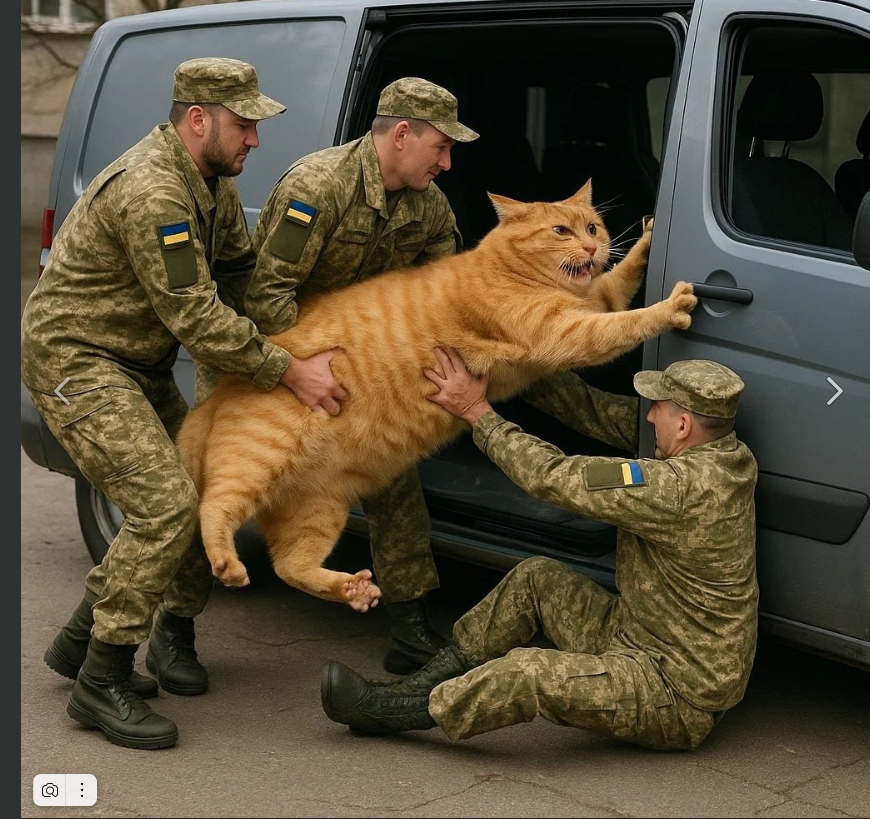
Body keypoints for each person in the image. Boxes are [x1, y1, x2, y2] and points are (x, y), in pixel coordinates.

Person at [21, 57, 301, 750]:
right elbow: (198, 318)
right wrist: (289, 371)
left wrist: (305, 327)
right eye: (244, 126)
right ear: (198, 119)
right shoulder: (154, 190)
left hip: (134, 358)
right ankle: (101, 677)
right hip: (78, 358)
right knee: (165, 506)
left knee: (204, 493)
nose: (255, 142)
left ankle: (81, 637)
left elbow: (237, 272)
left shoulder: (210, 183)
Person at [320, 350, 760, 751]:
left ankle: (394, 712)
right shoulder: (729, 456)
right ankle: (418, 685)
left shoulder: (675, 488)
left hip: (672, 689)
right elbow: (600, 413)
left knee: (528, 673)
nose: (647, 419)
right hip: (643, 633)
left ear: (683, 426)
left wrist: (477, 413)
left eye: (658, 410)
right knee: (537, 578)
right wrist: (512, 361)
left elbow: (553, 475)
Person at [244, 77, 480, 675]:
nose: (448, 163)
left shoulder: (429, 205)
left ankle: (407, 626)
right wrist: (309, 367)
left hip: (355, 370)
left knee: (393, 478)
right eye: (441, 147)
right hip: (276, 361)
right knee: (221, 493)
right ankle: (174, 628)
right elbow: (266, 298)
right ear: (403, 135)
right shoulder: (318, 188)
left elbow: (445, 293)